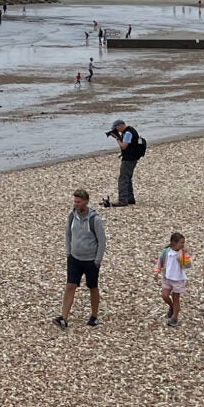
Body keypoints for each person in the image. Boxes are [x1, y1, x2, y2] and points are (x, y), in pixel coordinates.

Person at [56, 190, 106, 328]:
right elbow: (68, 234)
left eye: (78, 202)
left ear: (86, 201)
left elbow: (102, 241)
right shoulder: (72, 216)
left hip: (90, 260)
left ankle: (94, 316)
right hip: (74, 258)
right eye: (75, 201)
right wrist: (68, 252)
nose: (76, 204)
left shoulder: (95, 219)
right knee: (70, 285)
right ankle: (63, 318)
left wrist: (98, 260)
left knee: (93, 287)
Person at [103, 120, 145, 207]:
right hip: (133, 158)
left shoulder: (128, 133)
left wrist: (117, 138)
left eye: (116, 128)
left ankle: (122, 200)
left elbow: (124, 146)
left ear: (121, 125)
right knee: (128, 178)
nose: (116, 130)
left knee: (123, 179)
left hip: (129, 159)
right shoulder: (130, 131)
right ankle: (130, 199)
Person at [158, 233, 189, 327]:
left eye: (183, 243)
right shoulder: (166, 251)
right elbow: (160, 261)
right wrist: (157, 271)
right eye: (181, 243)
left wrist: (185, 255)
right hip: (167, 277)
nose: (183, 245)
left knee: (176, 298)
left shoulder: (182, 253)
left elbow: (187, 265)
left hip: (178, 279)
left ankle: (175, 317)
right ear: (174, 243)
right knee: (165, 295)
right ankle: (171, 307)